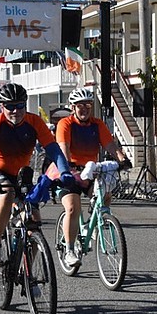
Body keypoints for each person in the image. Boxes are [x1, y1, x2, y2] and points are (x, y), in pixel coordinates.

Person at [0, 82, 74, 267]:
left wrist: (64, 171)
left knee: (33, 219)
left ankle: (27, 271)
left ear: (25, 105)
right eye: (10, 106)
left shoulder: (34, 122)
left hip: (21, 173)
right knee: (7, 194)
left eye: (20, 105)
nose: (15, 111)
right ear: (1, 106)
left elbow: (53, 149)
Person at [55, 87, 132, 268]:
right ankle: (69, 250)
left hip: (91, 172)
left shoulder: (97, 125)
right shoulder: (65, 124)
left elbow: (110, 145)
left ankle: (98, 221)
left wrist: (123, 159)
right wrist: (68, 164)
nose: (84, 109)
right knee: (73, 208)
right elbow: (63, 146)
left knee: (106, 194)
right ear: (73, 108)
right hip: (70, 172)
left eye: (88, 105)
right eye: (80, 106)